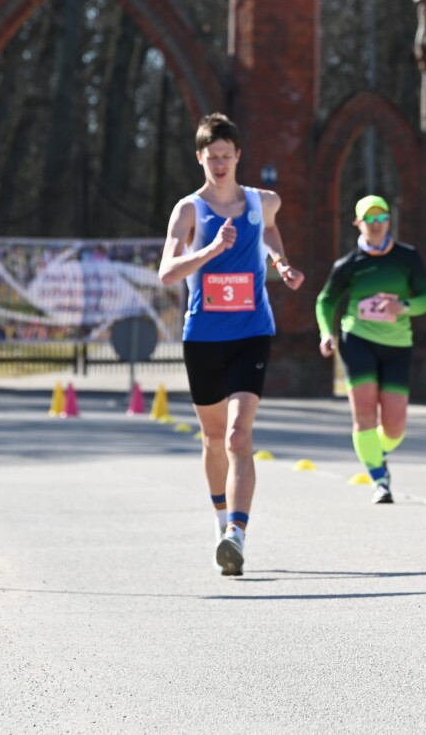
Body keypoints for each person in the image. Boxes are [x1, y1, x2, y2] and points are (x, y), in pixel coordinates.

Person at [158, 113, 304, 576]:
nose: (219, 165)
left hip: (252, 332)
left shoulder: (264, 202)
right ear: (199, 158)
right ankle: (221, 519)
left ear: (238, 156)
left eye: (226, 156)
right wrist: (210, 250)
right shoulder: (188, 210)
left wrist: (282, 263)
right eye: (211, 157)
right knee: (214, 438)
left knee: (240, 436)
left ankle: (236, 535)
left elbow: (271, 229)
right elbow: (167, 273)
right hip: (202, 337)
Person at [315, 195, 426, 504]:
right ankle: (379, 479)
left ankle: (374, 449)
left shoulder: (407, 257)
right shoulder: (349, 265)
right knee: (365, 412)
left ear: (389, 221)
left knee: (395, 427)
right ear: (358, 223)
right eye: (369, 219)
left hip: (397, 344)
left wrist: (403, 305)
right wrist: (327, 332)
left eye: (382, 218)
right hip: (358, 339)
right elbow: (326, 301)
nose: (377, 224)